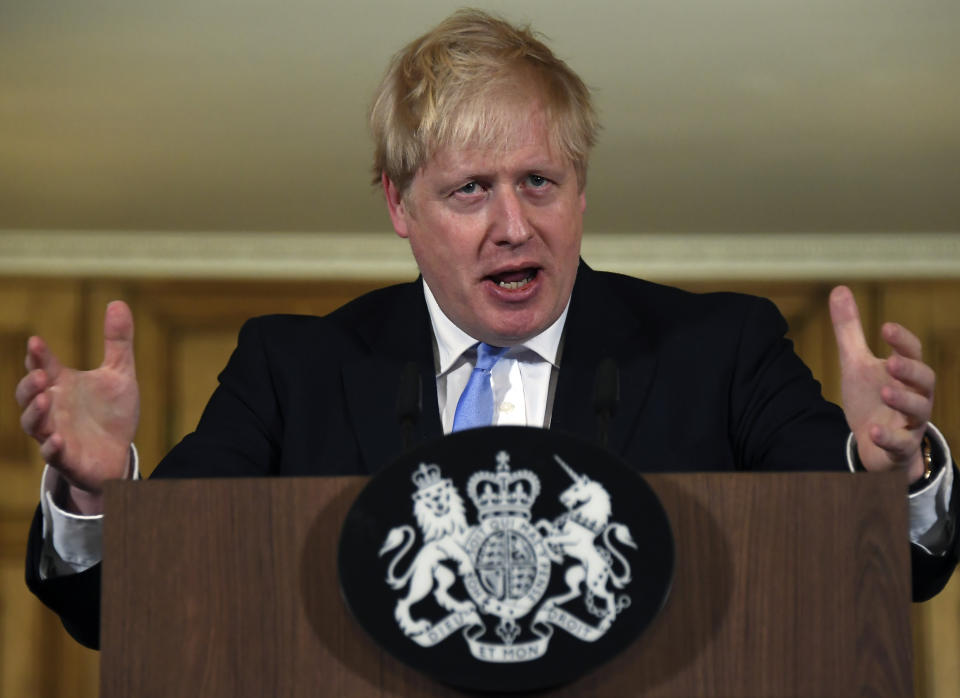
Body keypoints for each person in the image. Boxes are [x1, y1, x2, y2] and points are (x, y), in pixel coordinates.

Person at [18, 9, 958, 650]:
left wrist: (889, 476)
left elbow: (885, 572)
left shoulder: (723, 351)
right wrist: (96, 500)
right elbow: (126, 608)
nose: (515, 225)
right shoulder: (290, 369)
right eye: (470, 189)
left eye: (539, 182)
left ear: (581, 190)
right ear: (398, 203)